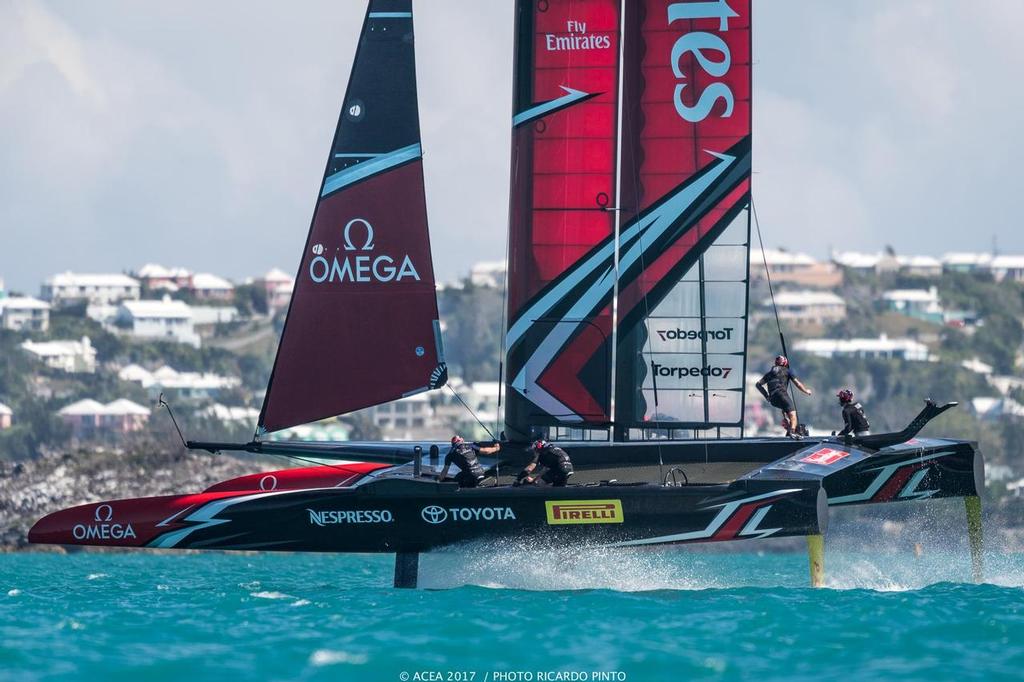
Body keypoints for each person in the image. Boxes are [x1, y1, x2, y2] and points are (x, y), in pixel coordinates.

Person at [755, 355, 813, 438]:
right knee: (793, 414)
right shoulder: (787, 371)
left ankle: (788, 424)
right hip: (781, 394)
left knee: (786, 409)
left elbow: (758, 385)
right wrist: (806, 391)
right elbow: (797, 384)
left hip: (773, 400)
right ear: (785, 363)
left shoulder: (769, 374)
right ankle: (792, 432)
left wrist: (767, 396)